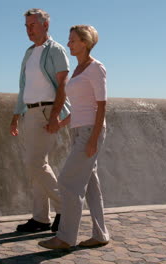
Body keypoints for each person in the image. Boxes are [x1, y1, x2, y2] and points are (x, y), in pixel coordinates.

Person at [39, 25, 110, 249]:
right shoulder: (78, 70)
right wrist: (61, 123)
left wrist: (93, 139)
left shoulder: (96, 68)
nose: (69, 43)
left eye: (72, 40)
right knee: (90, 185)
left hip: (91, 131)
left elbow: (101, 106)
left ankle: (66, 237)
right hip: (78, 129)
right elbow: (80, 107)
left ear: (85, 42)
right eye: (69, 40)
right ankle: (100, 234)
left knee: (68, 182)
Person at [10, 8, 71, 233]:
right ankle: (40, 219)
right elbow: (24, 87)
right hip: (30, 113)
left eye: (32, 25)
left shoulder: (56, 50)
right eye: (26, 26)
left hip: (47, 112)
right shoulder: (29, 52)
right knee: (35, 166)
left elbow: (63, 84)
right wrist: (16, 116)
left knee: (35, 163)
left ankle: (65, 208)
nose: (28, 30)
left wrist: (55, 115)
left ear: (45, 25)